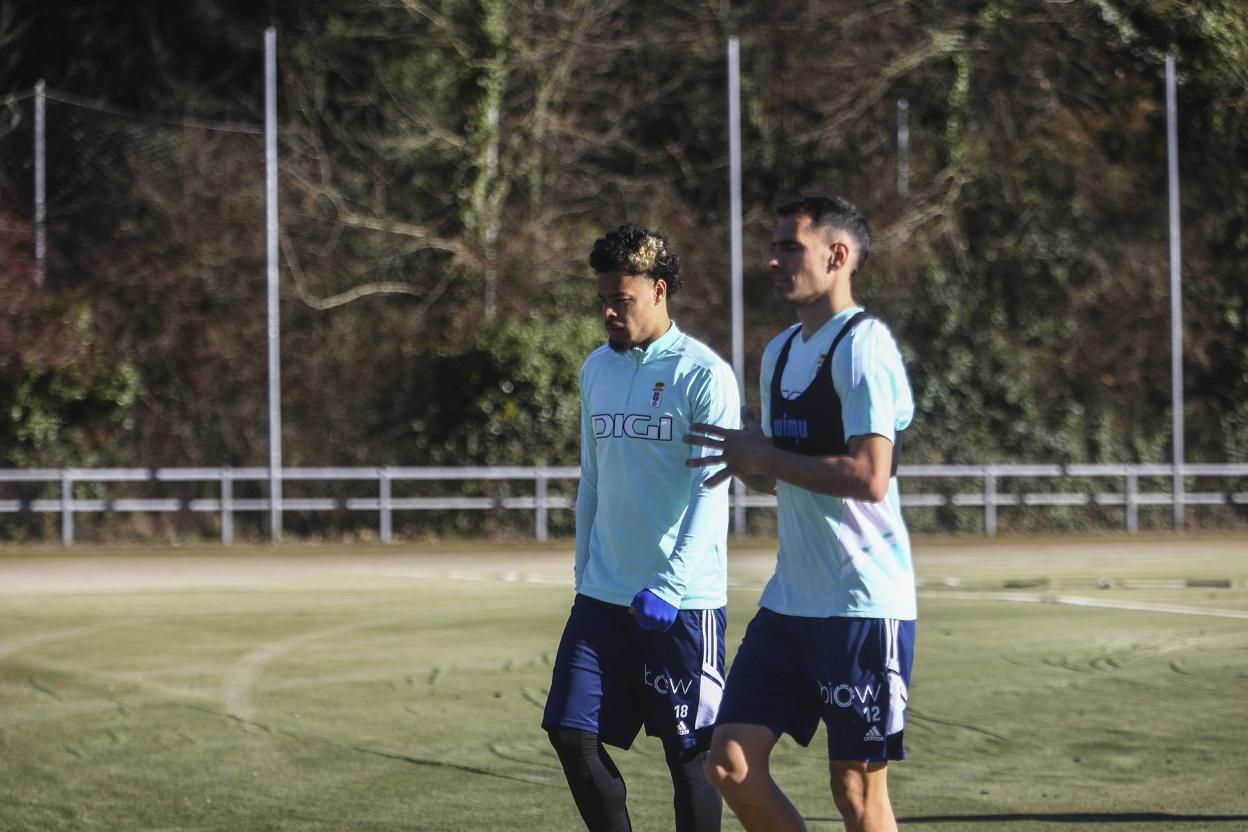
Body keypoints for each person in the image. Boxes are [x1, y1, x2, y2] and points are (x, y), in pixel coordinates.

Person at [684, 196, 916, 832]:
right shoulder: (782, 351)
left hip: (863, 606)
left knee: (856, 793)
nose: (773, 259)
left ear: (836, 257)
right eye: (776, 246)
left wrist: (766, 457)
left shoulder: (866, 347)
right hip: (791, 604)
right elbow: (781, 475)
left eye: (791, 247)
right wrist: (749, 463)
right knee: (729, 763)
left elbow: (870, 477)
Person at [543, 225, 741, 832]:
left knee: (690, 760)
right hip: (603, 596)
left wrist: (672, 584)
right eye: (603, 297)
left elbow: (713, 492)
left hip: (681, 603)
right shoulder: (596, 369)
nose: (608, 310)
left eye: (621, 299)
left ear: (659, 291)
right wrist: (584, 572)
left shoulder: (704, 375)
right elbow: (593, 479)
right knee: (569, 734)